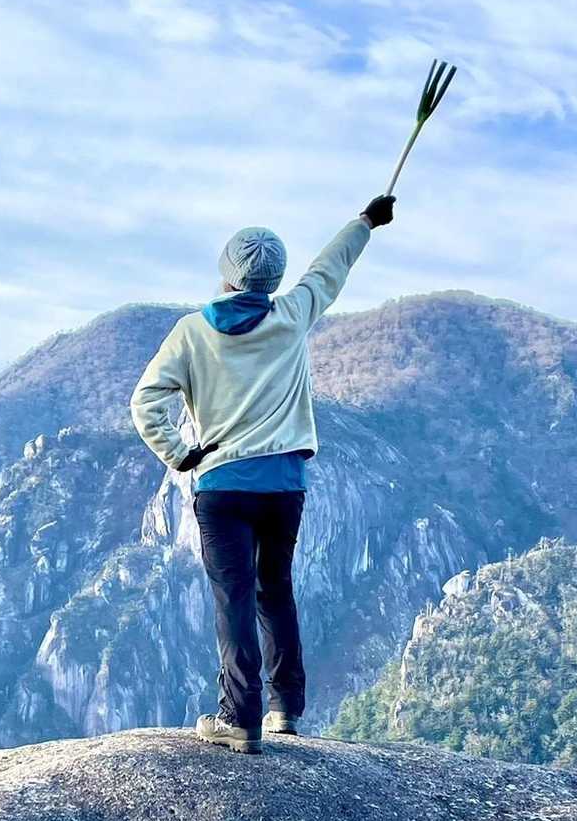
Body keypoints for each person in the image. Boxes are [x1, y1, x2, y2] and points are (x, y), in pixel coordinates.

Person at [129, 194, 396, 753]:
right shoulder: (292, 315)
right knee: (274, 589)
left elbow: (146, 401)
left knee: (234, 597)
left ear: (226, 272)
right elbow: (330, 268)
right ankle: (285, 708)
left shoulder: (191, 333)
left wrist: (179, 453)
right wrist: (365, 222)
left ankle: (239, 718)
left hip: (222, 485)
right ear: (274, 278)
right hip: (283, 486)